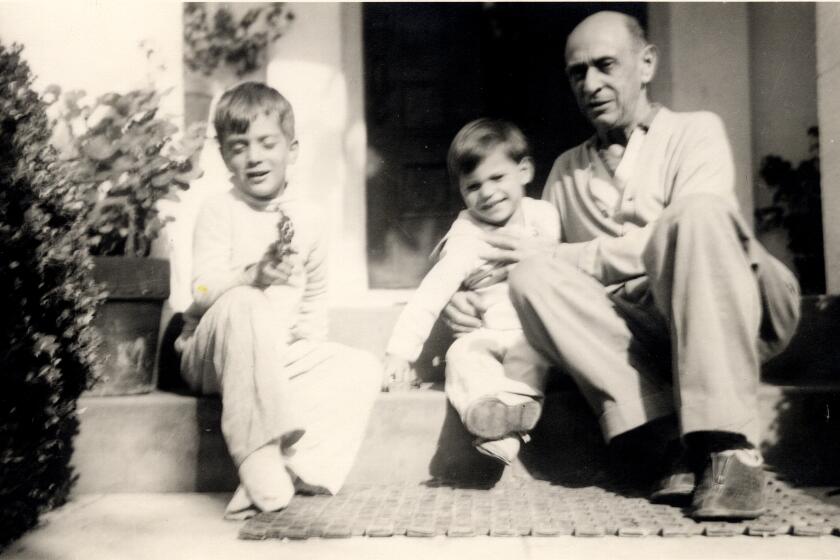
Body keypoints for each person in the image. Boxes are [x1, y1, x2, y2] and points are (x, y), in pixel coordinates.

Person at [444, 11, 800, 520]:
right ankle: (666, 439)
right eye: (577, 72)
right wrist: (467, 294)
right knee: (531, 278)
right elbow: (535, 266)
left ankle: (730, 442)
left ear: (647, 63)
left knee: (695, 214)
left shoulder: (696, 132)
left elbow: (693, 233)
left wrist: (574, 256)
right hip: (641, 335)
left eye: (606, 65)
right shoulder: (567, 170)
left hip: (737, 309)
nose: (591, 83)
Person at [175, 82, 381, 520]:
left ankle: (296, 467)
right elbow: (201, 294)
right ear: (225, 156)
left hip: (278, 356)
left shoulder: (311, 218)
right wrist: (249, 276)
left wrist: (308, 350)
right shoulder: (220, 210)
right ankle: (258, 456)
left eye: (267, 143)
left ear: (293, 148)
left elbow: (314, 306)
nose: (254, 157)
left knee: (360, 367)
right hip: (211, 353)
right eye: (238, 146)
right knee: (247, 302)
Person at [383, 119, 559, 465]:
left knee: (537, 355)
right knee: (462, 357)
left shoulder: (544, 217)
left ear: (524, 170)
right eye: (473, 186)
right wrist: (400, 353)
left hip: (532, 333)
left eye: (497, 178)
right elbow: (431, 294)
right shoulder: (466, 237)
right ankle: (490, 422)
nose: (488, 193)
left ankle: (510, 415)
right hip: (485, 331)